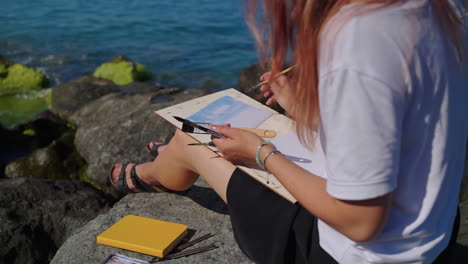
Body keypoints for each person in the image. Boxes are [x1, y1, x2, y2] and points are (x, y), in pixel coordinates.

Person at [109, 0, 467, 263]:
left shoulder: (360, 41)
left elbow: (361, 222)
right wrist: (305, 106)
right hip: (433, 232)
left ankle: (155, 173)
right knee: (212, 136)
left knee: (192, 137)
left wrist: (262, 154)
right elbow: (397, 134)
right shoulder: (437, 9)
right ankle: (166, 161)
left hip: (346, 254)